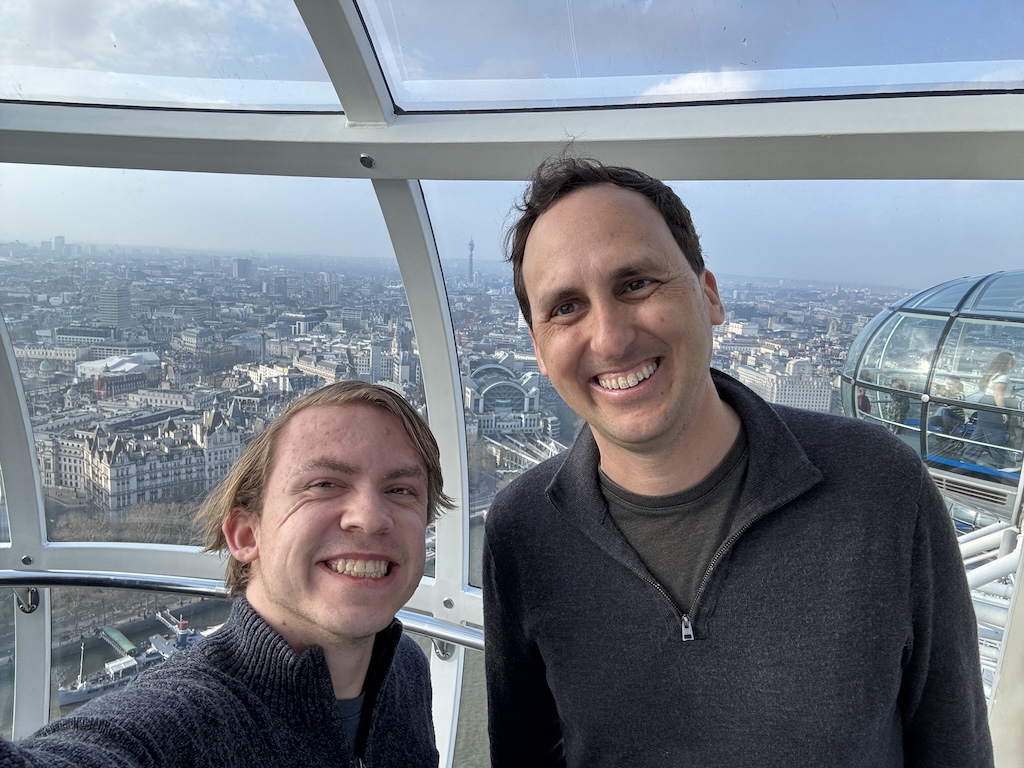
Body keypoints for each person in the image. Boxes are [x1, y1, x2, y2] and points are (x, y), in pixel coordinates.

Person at [482, 155, 993, 767]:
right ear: (539, 350)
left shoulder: (879, 489)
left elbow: (954, 747)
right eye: (566, 307)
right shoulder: (523, 530)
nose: (611, 338)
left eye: (636, 284)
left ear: (709, 296)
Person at [2, 381, 452, 767]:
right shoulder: (181, 723)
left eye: (401, 490)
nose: (370, 518)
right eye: (325, 484)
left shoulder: (405, 667)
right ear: (245, 536)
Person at [963, 351, 1017, 469]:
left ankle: (967, 459)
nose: (1014, 364)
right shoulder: (1002, 377)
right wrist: (1003, 411)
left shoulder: (996, 375)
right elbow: (998, 395)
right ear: (1005, 362)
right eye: (1012, 361)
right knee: (996, 435)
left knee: (979, 435)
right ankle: (1004, 465)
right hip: (993, 406)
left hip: (986, 404)